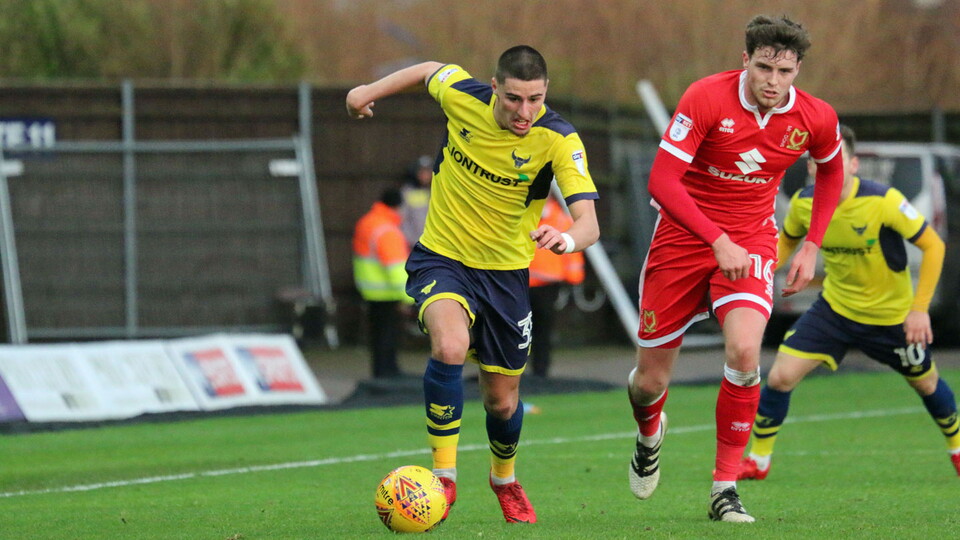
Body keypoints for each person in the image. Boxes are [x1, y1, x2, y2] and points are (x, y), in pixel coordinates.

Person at [346, 45, 600, 525]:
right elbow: (427, 70)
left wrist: (565, 239)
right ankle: (444, 477)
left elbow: (589, 223)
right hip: (443, 258)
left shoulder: (559, 139)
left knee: (501, 402)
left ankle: (504, 478)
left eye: (535, 99)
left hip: (506, 277)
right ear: (494, 87)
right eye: (514, 99)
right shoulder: (463, 95)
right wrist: (365, 91)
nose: (524, 111)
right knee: (449, 346)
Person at [626, 15, 844, 523]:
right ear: (746, 60)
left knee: (746, 352)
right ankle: (649, 432)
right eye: (764, 67)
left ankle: (724, 488)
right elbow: (662, 181)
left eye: (784, 71)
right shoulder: (705, 96)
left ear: (797, 69)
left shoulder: (815, 116)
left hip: (751, 240)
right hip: (682, 238)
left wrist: (811, 245)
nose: (773, 81)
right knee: (649, 383)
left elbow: (832, 170)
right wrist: (716, 239)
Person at [739, 126, 959, 480]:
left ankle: (957, 449)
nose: (827, 166)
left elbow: (933, 245)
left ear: (853, 165)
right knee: (780, 376)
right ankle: (758, 461)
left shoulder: (883, 201)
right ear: (810, 167)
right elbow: (787, 242)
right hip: (835, 311)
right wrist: (759, 271)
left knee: (926, 383)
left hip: (891, 318)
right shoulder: (804, 203)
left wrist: (919, 310)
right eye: (819, 160)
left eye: (835, 159)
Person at [352, 188, 413, 379]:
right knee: (389, 335)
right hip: (387, 292)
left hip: (369, 289)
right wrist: (408, 297)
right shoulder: (387, 230)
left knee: (378, 336)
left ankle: (381, 373)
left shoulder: (367, 222)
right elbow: (396, 268)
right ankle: (389, 373)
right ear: (397, 206)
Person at [528, 193, 586, 378]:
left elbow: (572, 249)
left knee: (542, 330)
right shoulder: (556, 217)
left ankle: (540, 372)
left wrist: (574, 277)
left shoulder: (560, 218)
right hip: (521, 283)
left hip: (547, 284)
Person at [400, 154, 433, 248]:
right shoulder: (407, 192)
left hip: (433, 244)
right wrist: (411, 241)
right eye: (422, 171)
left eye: (428, 171)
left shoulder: (435, 190)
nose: (425, 175)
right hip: (413, 244)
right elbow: (402, 219)